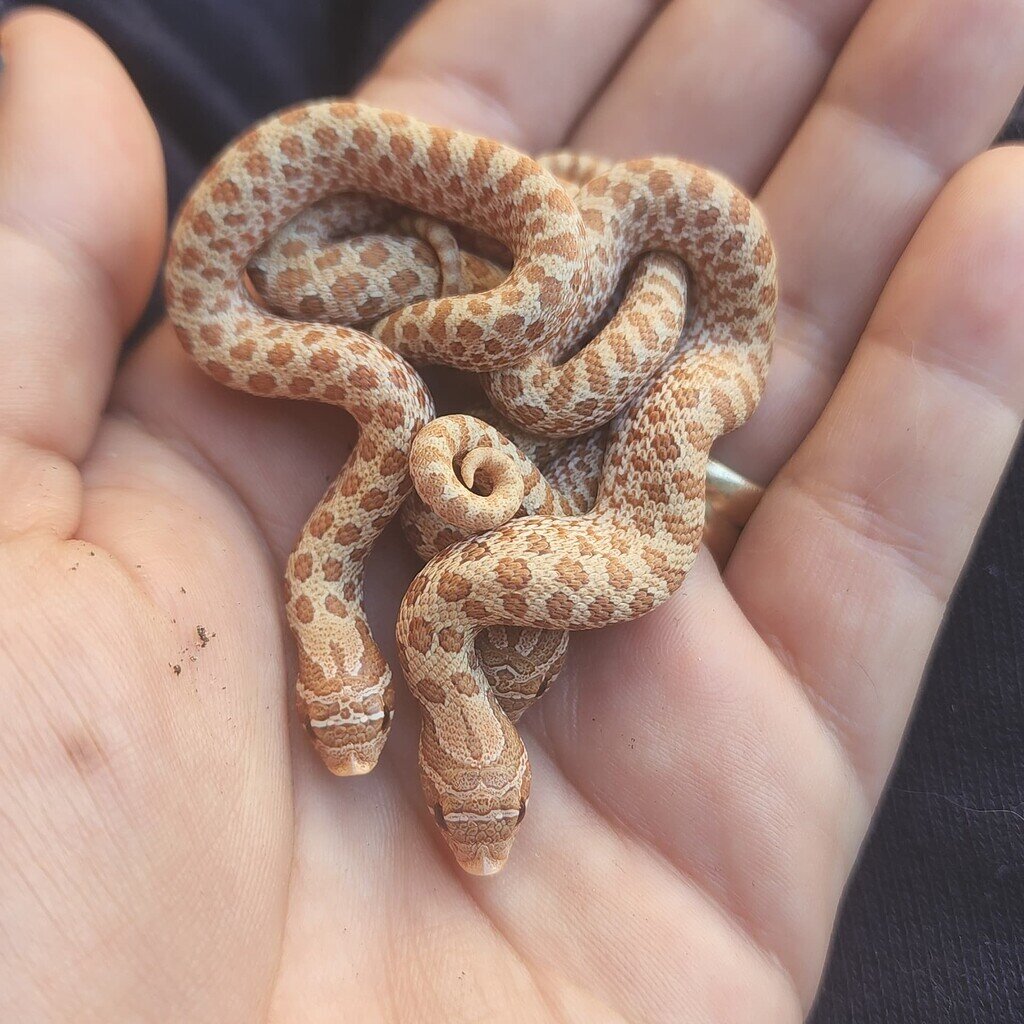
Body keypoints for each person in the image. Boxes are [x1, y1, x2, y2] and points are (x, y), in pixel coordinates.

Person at [0, 3, 1021, 1021]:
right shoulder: (444, 602)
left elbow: (460, 521)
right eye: (490, 804)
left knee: (531, 386)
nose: (475, 832)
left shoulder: (439, 601)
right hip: (479, 309)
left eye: (461, 805)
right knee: (510, 384)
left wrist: (498, 354)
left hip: (590, 306)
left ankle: (505, 292)